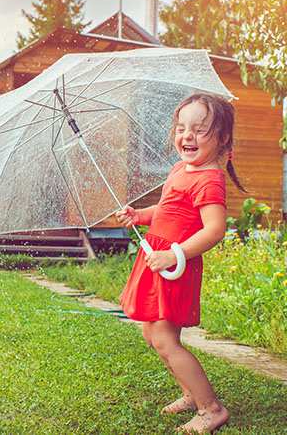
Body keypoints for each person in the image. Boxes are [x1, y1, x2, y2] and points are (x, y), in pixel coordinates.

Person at [116, 93, 246, 434]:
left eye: (200, 129)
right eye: (181, 128)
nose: (187, 136)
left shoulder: (209, 179)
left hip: (174, 265)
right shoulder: (180, 169)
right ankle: (190, 394)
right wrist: (140, 215)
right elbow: (167, 209)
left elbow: (215, 229)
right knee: (153, 332)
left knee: (164, 339)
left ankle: (210, 408)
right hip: (158, 260)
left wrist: (175, 254)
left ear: (223, 137)